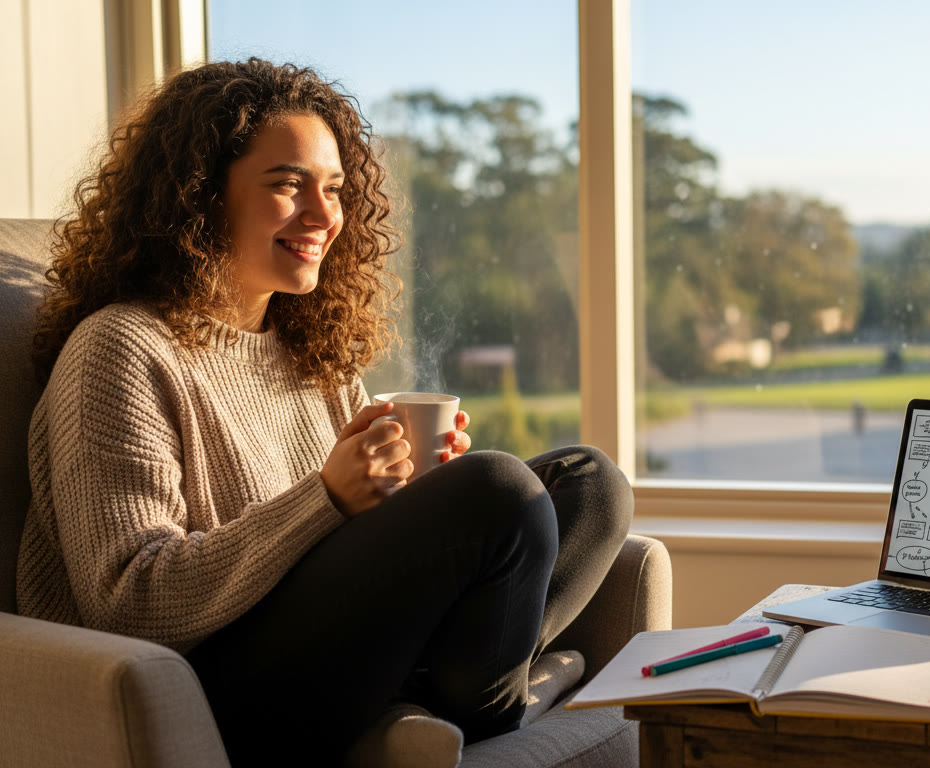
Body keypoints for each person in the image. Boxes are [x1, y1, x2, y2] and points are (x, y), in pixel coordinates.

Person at [16, 58, 632, 766]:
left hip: (338, 657)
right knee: (499, 490)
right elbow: (128, 602)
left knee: (589, 483)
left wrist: (414, 490)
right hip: (216, 682)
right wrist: (329, 497)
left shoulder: (311, 349)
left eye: (335, 189)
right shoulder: (120, 348)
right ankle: (498, 705)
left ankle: (429, 709)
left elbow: (362, 551)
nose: (323, 215)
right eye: (287, 184)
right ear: (198, 196)